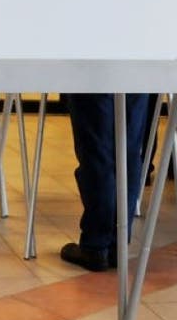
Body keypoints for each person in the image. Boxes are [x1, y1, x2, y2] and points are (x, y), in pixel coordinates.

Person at [59, 93, 154, 272]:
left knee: (97, 149)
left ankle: (96, 244)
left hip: (94, 68)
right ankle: (118, 243)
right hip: (142, 67)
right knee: (129, 150)